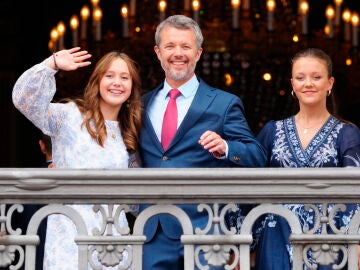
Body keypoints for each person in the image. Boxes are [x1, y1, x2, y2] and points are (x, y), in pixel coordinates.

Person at [138, 14, 266, 270]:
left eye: (186, 47)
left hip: (206, 228)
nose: (178, 53)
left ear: (198, 53)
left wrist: (226, 148)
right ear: (157, 52)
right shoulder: (140, 105)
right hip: (153, 230)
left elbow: (257, 155)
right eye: (170, 46)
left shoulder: (223, 103)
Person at [12, 47, 142, 269]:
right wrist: (51, 64)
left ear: (132, 87)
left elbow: (134, 201)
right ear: (97, 81)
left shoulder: (130, 132)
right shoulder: (70, 116)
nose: (117, 83)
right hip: (68, 236)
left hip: (113, 241)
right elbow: (24, 101)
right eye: (109, 76)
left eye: (124, 77)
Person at [254, 48, 360, 270]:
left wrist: (355, 241)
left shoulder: (347, 133)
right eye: (300, 78)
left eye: (316, 77)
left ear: (330, 83)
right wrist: (237, 242)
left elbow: (355, 191)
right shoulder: (272, 131)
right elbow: (248, 184)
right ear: (292, 84)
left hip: (328, 238)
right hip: (276, 236)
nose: (308, 83)